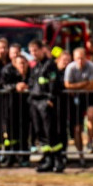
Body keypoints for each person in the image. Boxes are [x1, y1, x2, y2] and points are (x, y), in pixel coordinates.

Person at [27, 39, 63, 173]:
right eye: (31, 51)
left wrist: (51, 99)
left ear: (42, 50)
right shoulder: (35, 66)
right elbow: (31, 82)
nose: (33, 54)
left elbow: (54, 84)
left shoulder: (50, 65)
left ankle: (58, 160)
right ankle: (48, 159)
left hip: (45, 101)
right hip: (35, 102)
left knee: (51, 132)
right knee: (40, 132)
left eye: (35, 50)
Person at [63, 46, 93, 164]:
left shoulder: (91, 66)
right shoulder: (70, 68)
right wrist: (83, 84)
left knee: (91, 115)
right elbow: (67, 85)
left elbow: (92, 85)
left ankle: (90, 141)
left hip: (88, 97)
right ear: (74, 58)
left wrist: (76, 86)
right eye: (78, 58)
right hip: (75, 99)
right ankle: (80, 154)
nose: (80, 61)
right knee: (77, 129)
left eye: (82, 58)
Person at [0, 53, 30, 162]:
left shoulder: (30, 74)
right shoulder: (12, 75)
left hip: (26, 107)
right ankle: (11, 156)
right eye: (19, 63)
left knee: (24, 133)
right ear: (15, 65)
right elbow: (4, 85)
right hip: (11, 107)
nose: (22, 65)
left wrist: (28, 86)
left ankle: (24, 157)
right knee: (12, 133)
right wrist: (15, 86)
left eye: (23, 63)